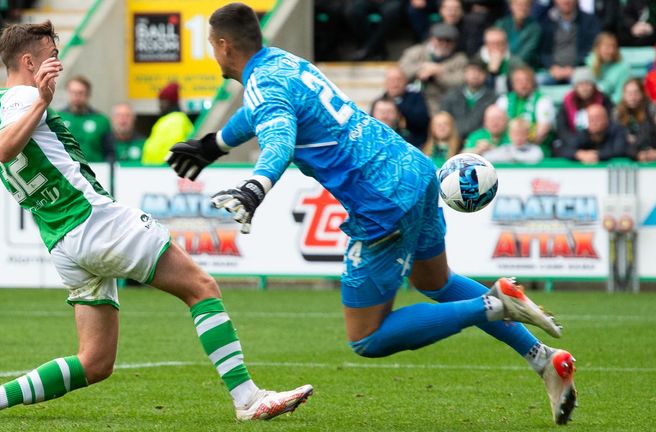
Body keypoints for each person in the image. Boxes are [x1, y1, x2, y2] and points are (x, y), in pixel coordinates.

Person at [167, 3, 577, 425]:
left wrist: (255, 187)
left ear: (222, 44)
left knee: (366, 337)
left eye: (211, 47)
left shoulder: (263, 85)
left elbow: (278, 140)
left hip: (380, 201)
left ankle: (494, 304)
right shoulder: (284, 62)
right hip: (413, 170)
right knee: (435, 282)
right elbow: (263, 113)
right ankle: (544, 360)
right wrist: (214, 144)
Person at [0, 20, 313, 422]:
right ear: (28, 61)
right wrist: (41, 101)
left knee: (95, 362)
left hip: (64, 243)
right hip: (96, 222)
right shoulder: (23, 100)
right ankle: (248, 399)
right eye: (51, 57)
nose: (58, 64)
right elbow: (7, 148)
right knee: (201, 288)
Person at [399, 22, 467, 114]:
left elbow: (461, 81)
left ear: (454, 43)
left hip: (444, 101)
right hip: (415, 98)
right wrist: (422, 67)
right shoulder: (416, 51)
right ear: (431, 39)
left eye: (448, 41)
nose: (444, 44)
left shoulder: (460, 59)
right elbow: (401, 71)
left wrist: (438, 73)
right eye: (440, 40)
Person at [537, 0, 600, 85]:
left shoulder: (589, 21)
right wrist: (552, 67)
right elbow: (543, 51)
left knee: (585, 85)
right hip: (552, 70)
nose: (566, 1)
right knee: (535, 81)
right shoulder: (545, 21)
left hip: (579, 69)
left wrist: (574, 68)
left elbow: (591, 48)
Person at [495, 65, 556, 153]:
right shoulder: (504, 100)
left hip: (535, 147)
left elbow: (543, 130)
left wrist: (524, 148)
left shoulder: (543, 100)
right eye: (518, 81)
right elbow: (496, 127)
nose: (523, 85)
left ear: (533, 83)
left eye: (526, 81)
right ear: (513, 84)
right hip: (506, 147)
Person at [555, 67, 614, 154]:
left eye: (587, 84)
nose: (584, 88)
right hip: (574, 142)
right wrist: (574, 143)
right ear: (575, 87)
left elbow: (611, 122)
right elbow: (562, 128)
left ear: (593, 86)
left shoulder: (603, 100)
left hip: (600, 140)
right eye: (580, 84)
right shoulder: (567, 102)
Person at [59, 75, 114, 163]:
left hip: (95, 171)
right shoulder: (57, 118)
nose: (76, 96)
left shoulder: (101, 120)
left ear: (88, 94)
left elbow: (109, 152)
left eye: (80, 92)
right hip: (65, 171)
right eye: (73, 92)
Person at [440, 57, 498, 140]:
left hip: (480, 141)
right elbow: (443, 119)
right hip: (453, 140)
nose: (475, 75)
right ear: (465, 73)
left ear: (486, 76)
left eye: (480, 71)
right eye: (471, 71)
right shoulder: (451, 95)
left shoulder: (493, 99)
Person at [555, 103, 630, 163]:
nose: (593, 122)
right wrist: (579, 154)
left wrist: (595, 156)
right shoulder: (583, 133)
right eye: (590, 119)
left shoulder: (617, 130)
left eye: (597, 118)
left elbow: (619, 151)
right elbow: (562, 149)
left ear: (606, 120)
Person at [141, 82, 193, 165]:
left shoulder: (175, 121)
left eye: (161, 101)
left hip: (163, 171)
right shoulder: (176, 119)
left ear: (169, 102)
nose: (159, 105)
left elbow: (174, 148)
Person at [381, 66, 429, 147]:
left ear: (405, 82)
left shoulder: (416, 97)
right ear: (385, 83)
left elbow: (422, 121)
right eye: (391, 80)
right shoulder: (380, 101)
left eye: (398, 80)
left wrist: (399, 106)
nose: (395, 83)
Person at [614, 78, 656, 162]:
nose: (632, 97)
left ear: (642, 94)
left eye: (636, 93)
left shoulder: (651, 110)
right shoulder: (617, 114)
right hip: (628, 157)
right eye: (629, 93)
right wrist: (636, 154)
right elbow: (618, 142)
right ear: (624, 95)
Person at [585, 32, 630, 104]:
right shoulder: (588, 64)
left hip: (611, 106)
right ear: (598, 48)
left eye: (614, 47)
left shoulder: (622, 69)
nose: (611, 51)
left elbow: (620, 95)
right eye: (607, 47)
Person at [496, 0, 542, 68]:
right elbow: (493, 46)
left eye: (526, 5)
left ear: (530, 8)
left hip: (523, 67)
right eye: (518, 4)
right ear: (511, 6)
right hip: (498, 63)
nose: (522, 8)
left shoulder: (535, 28)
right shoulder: (501, 24)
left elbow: (525, 55)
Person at [479, 27, 523, 95]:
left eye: (499, 43)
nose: (496, 47)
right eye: (492, 44)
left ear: (506, 44)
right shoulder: (477, 61)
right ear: (486, 45)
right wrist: (491, 73)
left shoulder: (516, 62)